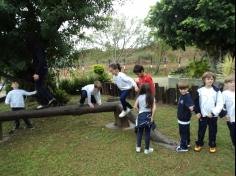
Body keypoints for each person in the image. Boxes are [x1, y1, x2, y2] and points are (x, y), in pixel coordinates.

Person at [194, 72, 224, 153]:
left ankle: (212, 144)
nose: (210, 80)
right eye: (208, 79)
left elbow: (220, 103)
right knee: (201, 130)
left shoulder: (217, 91)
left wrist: (213, 113)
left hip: (212, 116)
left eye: (211, 79)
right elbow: (196, 102)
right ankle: (199, 143)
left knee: (213, 130)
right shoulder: (199, 90)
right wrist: (197, 112)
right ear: (204, 80)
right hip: (202, 115)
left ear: (214, 80)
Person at [134, 84, 156, 154]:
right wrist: (152, 117)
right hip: (148, 116)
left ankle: (138, 148)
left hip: (141, 115)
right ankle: (146, 150)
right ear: (149, 90)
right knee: (147, 133)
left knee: (140, 132)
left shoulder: (139, 97)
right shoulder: (151, 97)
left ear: (142, 89)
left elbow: (135, 106)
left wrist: (139, 111)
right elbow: (154, 108)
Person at [176, 81, 194, 152]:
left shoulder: (187, 97)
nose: (183, 90)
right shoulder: (182, 96)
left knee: (183, 132)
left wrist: (191, 107)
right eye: (181, 89)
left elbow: (191, 106)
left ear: (187, 89)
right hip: (182, 118)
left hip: (184, 119)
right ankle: (187, 143)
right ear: (179, 89)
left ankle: (184, 147)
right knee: (186, 131)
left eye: (184, 89)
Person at [222, 75, 235, 147]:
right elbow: (222, 105)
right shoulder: (225, 93)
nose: (233, 84)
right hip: (231, 118)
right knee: (233, 133)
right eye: (231, 82)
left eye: (234, 82)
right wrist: (225, 114)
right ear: (226, 84)